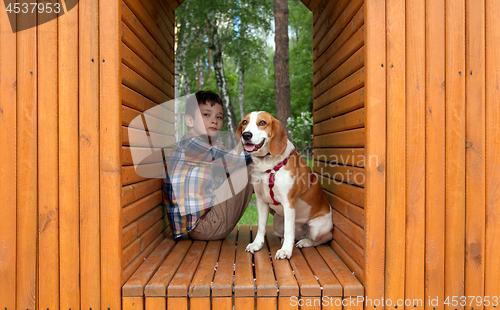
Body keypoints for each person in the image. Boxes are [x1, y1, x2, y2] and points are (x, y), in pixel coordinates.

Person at [163, 90, 253, 241]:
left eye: (219, 117)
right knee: (253, 167)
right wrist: (260, 150)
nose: (214, 121)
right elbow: (236, 160)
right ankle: (292, 219)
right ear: (190, 121)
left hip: (200, 225)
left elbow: (225, 171)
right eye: (206, 114)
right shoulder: (192, 144)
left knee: (253, 169)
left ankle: (288, 218)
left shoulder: (198, 146)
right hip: (204, 226)